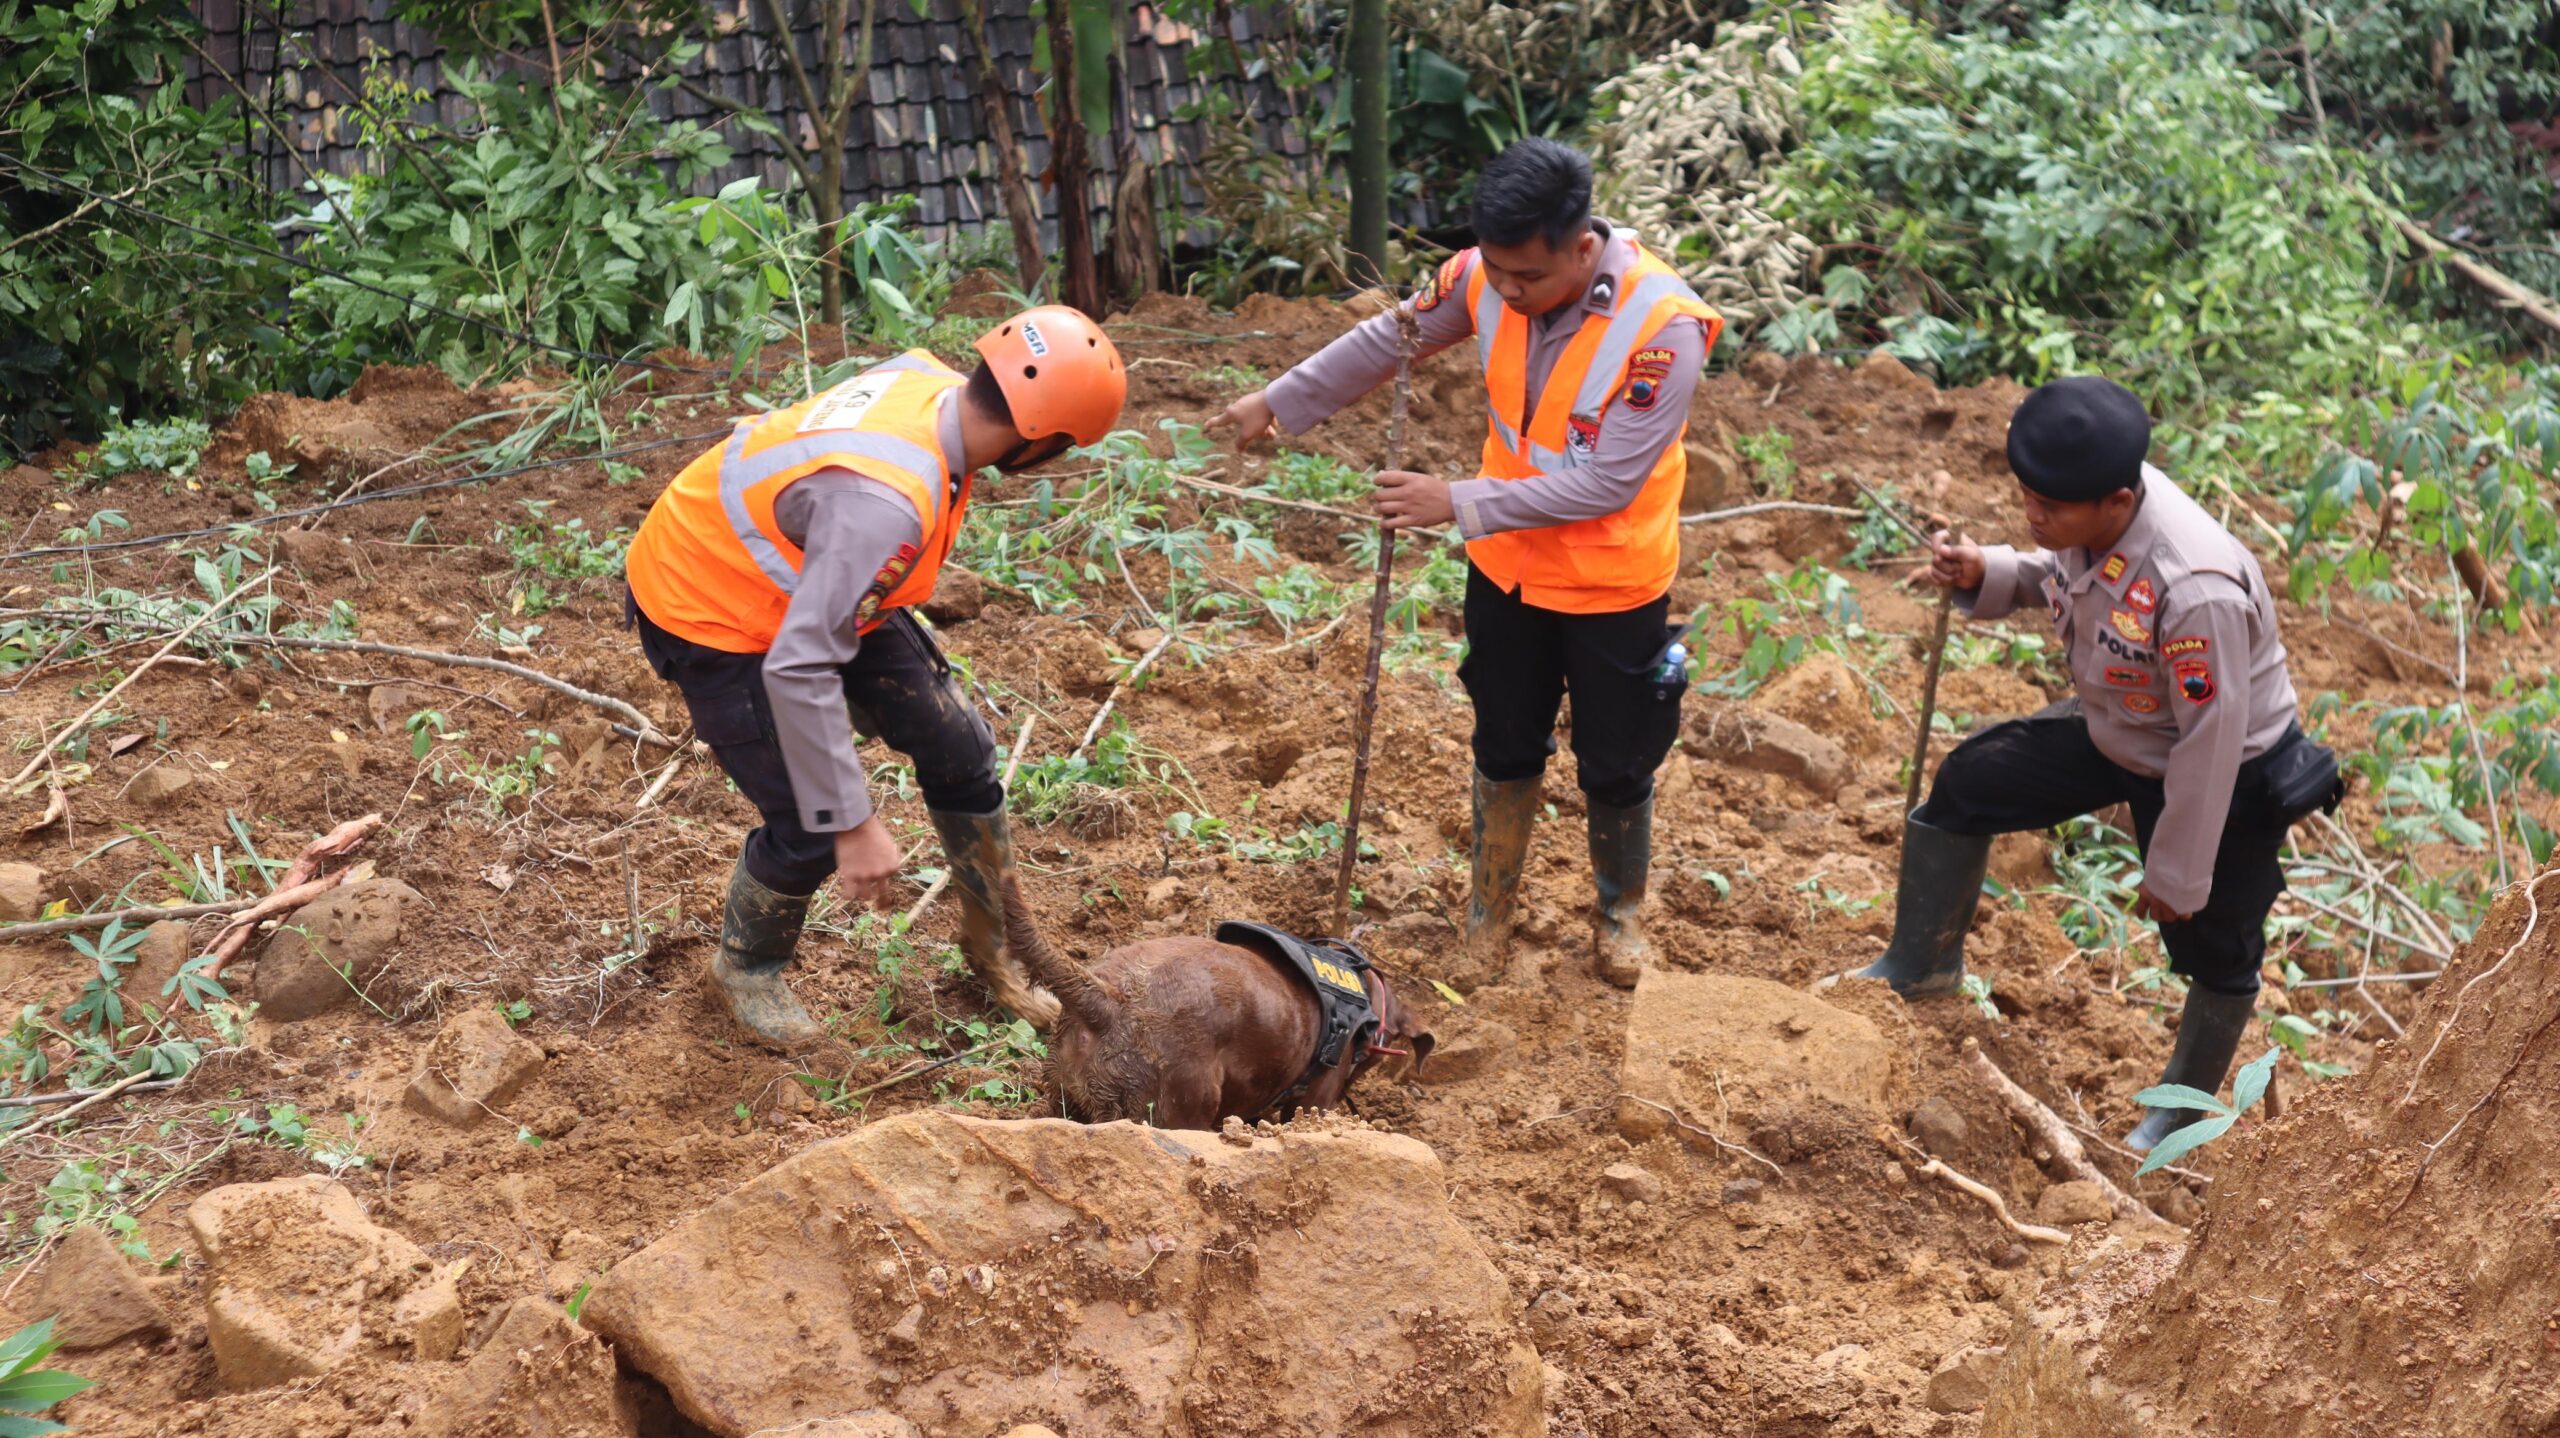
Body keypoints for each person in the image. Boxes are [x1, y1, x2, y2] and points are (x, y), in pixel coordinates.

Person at [1210, 139, 1724, 989]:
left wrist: (1455, 500)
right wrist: (1280, 400)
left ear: (1581, 247)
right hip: (1507, 569)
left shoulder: (1663, 328)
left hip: (1611, 582)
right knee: (1504, 740)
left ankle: (1620, 916)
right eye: (1499, 272)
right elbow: (1394, 336)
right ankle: (1489, 914)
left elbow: (1609, 482)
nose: (1508, 292)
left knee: (1618, 758)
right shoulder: (1485, 274)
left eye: (1529, 277)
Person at [1851, 375, 2338, 1150]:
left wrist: (2177, 870)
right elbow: (2066, 574)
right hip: (2122, 728)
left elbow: (2211, 737)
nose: (2032, 515)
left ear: (2118, 500)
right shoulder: (2096, 510)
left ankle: (2177, 1115)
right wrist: (1989, 570)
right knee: (1972, 782)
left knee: (2214, 945)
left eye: (2048, 506)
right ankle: (1919, 966)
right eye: (2026, 497)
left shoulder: (2195, 586)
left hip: (2222, 769)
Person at [623, 307, 1127, 1046]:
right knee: (809, 824)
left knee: (959, 747)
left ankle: (992, 948)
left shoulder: (926, 380)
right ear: (1041, 439)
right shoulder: (882, 506)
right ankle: (746, 969)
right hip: (712, 601)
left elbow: (843, 567)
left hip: (824, 574)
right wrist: (855, 824)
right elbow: (800, 664)